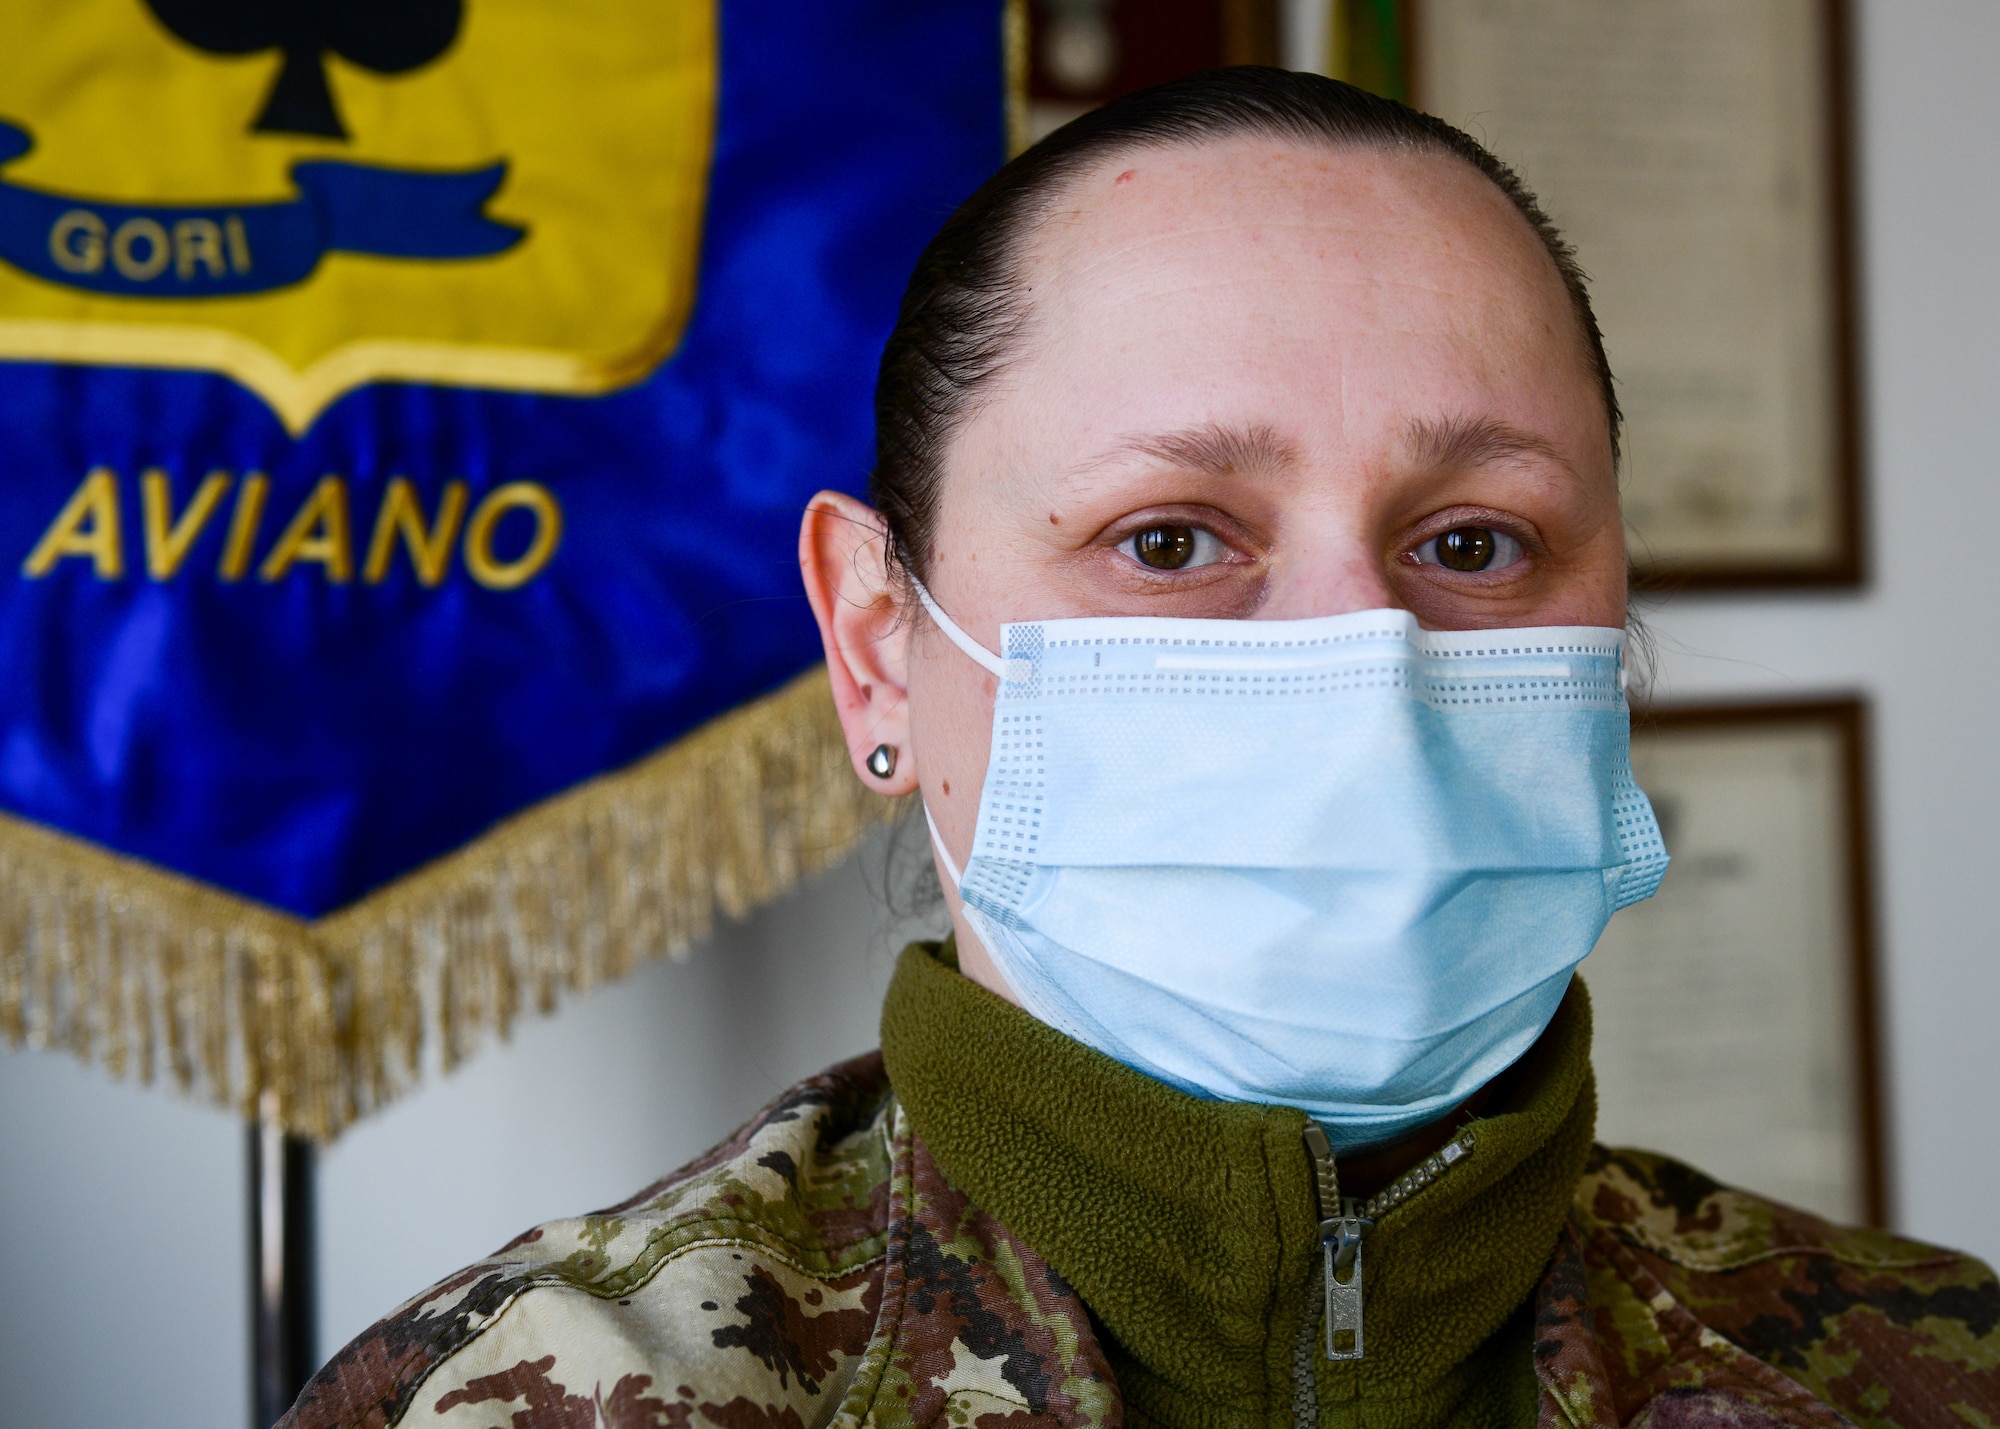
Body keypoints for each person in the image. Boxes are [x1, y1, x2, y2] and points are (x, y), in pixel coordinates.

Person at [284, 69, 1999, 1429]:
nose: (1364, 672)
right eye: (1172, 539)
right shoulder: (536, 1404)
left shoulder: (1932, 1371)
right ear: (879, 645)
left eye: (1471, 542)